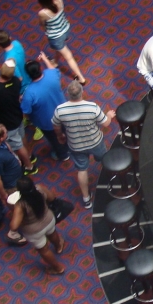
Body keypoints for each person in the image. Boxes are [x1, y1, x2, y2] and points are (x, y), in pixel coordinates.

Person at [52, 82, 116, 210]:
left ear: (68, 94)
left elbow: (56, 125)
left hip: (75, 145)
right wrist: (109, 115)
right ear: (82, 92)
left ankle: (86, 199)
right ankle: (113, 183)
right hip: (95, 142)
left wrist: (60, 136)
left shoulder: (60, 110)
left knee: (82, 170)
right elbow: (106, 124)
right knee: (105, 161)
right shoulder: (92, 107)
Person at [0, 62, 37, 173]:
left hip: (7, 124)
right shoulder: (16, 82)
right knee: (22, 136)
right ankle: (29, 155)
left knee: (18, 146)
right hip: (17, 116)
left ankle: (29, 166)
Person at [8, 176, 65, 275]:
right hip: (49, 219)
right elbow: (51, 197)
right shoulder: (40, 189)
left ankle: (58, 268)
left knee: (44, 250)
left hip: (34, 231)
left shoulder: (21, 204)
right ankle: (58, 246)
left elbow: (14, 226)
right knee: (52, 233)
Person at [35, 0, 88, 85]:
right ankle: (55, 62)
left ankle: (81, 79)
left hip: (56, 37)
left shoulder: (42, 13)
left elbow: (42, 24)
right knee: (60, 49)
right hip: (65, 29)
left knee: (68, 56)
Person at [0, 124, 28, 244]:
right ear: (1, 138)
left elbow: (6, 146)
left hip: (17, 178)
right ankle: (12, 233)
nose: (7, 132)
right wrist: (4, 195)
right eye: (5, 132)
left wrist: (14, 156)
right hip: (11, 186)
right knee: (19, 209)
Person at [21, 56, 69, 161]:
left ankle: (63, 155)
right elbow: (52, 69)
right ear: (39, 68)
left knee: (56, 139)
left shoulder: (29, 93)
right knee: (68, 131)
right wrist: (45, 59)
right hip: (64, 113)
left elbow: (25, 111)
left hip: (48, 123)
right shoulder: (51, 74)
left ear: (28, 75)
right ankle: (72, 146)